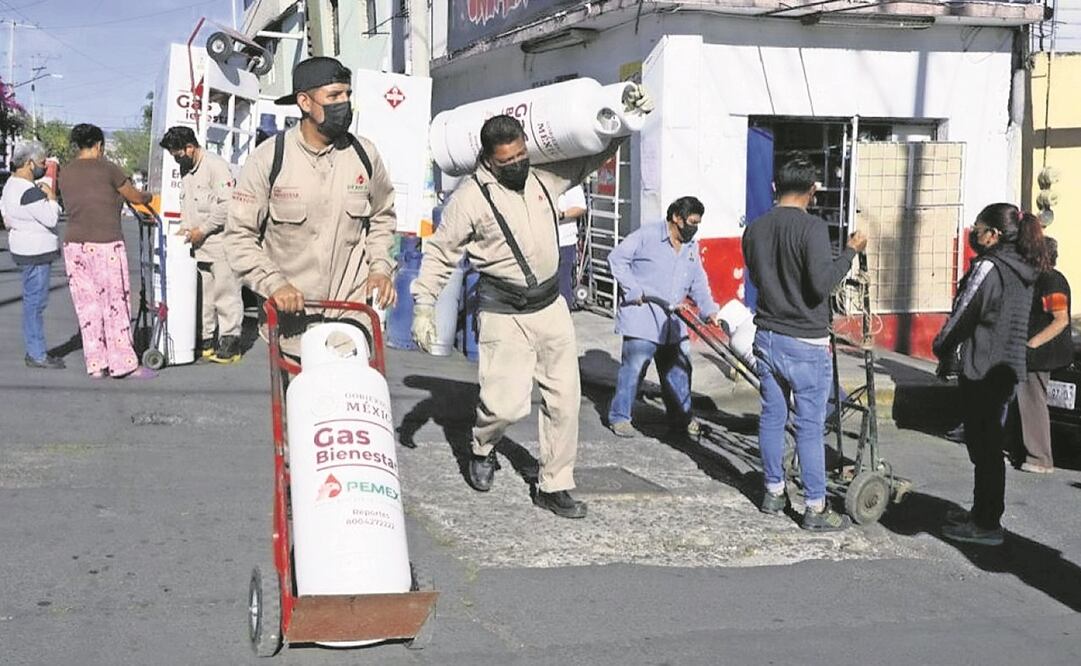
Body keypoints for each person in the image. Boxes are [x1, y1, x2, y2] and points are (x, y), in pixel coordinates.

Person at [410, 85, 654, 519]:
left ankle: (554, 484)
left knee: (565, 400)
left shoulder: (542, 176)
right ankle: (482, 446)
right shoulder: (470, 199)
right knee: (505, 405)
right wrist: (425, 304)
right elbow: (442, 250)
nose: (518, 165)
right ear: (489, 160)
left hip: (550, 307)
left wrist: (619, 122)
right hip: (503, 313)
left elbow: (586, 159)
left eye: (522, 155)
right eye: (508, 162)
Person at [225, 56, 397, 355]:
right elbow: (239, 236)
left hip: (352, 320)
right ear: (304, 102)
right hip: (293, 326)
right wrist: (274, 284)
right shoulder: (269, 159)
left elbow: (382, 217)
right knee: (303, 401)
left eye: (347, 94)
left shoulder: (365, 155)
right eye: (333, 96)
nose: (344, 103)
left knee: (354, 401)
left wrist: (380, 268)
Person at [742, 153, 867, 532]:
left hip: (766, 334)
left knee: (772, 416)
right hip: (805, 340)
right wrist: (850, 252)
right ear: (813, 191)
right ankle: (814, 507)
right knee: (810, 427)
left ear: (775, 187)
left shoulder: (755, 228)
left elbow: (760, 278)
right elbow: (822, 285)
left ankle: (773, 491)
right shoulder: (812, 229)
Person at [933, 203, 1046, 546]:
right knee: (989, 446)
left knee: (984, 447)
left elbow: (964, 312)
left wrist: (942, 347)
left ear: (993, 235)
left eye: (978, 227)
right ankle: (983, 512)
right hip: (1007, 367)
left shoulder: (989, 267)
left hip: (983, 367)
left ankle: (986, 523)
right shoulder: (1023, 268)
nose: (973, 233)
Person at [606, 195, 721, 439]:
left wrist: (708, 310)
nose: (694, 228)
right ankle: (620, 417)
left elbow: (698, 282)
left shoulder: (691, 247)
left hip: (673, 321)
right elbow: (616, 259)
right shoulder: (647, 236)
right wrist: (633, 290)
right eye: (691, 222)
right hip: (644, 317)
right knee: (634, 368)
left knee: (679, 371)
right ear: (676, 218)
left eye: (698, 224)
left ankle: (681, 418)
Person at [58, 123, 156, 379]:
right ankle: (124, 363)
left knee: (88, 307)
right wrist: (148, 197)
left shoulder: (65, 173)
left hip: (74, 245)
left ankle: (96, 364)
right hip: (105, 243)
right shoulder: (107, 168)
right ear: (99, 145)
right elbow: (133, 196)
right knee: (115, 304)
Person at [159, 126, 243, 363]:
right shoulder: (185, 169)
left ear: (190, 147)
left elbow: (227, 206)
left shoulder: (215, 166)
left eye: (178, 154)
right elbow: (186, 204)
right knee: (204, 297)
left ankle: (230, 341)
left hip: (221, 241)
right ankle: (206, 339)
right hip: (197, 245)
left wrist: (202, 230)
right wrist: (185, 228)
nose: (176, 159)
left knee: (226, 294)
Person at [1009, 237, 1072, 474]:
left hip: (1041, 354)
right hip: (1033, 352)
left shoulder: (1051, 281)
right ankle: (1024, 452)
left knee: (1032, 403)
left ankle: (1040, 458)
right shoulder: (1038, 280)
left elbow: (1061, 319)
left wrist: (1032, 344)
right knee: (1025, 403)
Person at [0, 140, 64, 369]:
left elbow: (6, 218)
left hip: (22, 248)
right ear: (28, 164)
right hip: (36, 253)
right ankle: (37, 354)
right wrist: (52, 196)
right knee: (35, 304)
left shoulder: (10, 185)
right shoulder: (30, 192)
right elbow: (51, 218)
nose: (44, 166)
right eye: (41, 162)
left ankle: (34, 351)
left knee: (31, 302)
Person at [557, 184, 587, 308]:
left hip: (564, 241)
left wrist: (562, 214)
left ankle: (564, 314)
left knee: (563, 282)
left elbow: (581, 207)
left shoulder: (570, 185)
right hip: (543, 241)